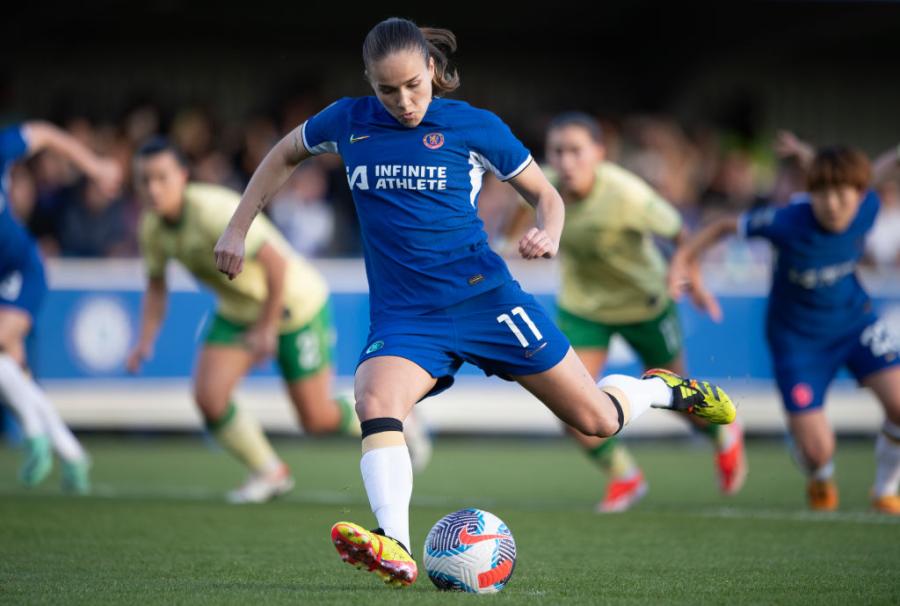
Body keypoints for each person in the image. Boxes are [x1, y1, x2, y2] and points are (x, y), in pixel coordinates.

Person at [214, 17, 736, 587]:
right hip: (408, 316)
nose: (404, 101)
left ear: (432, 70)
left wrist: (549, 232)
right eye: (387, 90)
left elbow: (547, 195)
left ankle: (661, 388)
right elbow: (282, 155)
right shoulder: (347, 120)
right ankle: (395, 544)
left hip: (485, 301)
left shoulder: (473, 127)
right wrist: (238, 227)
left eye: (414, 84)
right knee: (374, 398)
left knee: (595, 420)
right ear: (369, 82)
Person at [128, 137, 430, 504]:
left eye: (161, 178)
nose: (152, 188)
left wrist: (267, 329)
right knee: (209, 398)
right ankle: (269, 471)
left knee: (316, 420)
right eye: (144, 180)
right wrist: (145, 340)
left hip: (294, 304)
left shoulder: (212, 210)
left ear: (183, 176)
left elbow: (277, 265)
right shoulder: (152, 228)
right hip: (238, 310)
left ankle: (401, 421)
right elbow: (156, 287)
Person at [506, 113, 746, 512]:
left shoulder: (627, 193)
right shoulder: (540, 184)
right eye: (558, 151)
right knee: (570, 405)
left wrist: (694, 282)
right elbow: (517, 217)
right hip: (585, 310)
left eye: (576, 151)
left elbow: (681, 234)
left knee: (680, 399)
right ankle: (625, 476)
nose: (566, 162)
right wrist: (510, 241)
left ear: (599, 153)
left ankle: (724, 435)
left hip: (646, 305)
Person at [670, 135, 900, 515]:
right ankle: (819, 474)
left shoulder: (867, 204)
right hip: (797, 342)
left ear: (860, 194)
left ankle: (885, 489)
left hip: (854, 324)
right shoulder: (787, 220)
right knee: (818, 450)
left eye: (844, 194)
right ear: (810, 193)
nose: (833, 204)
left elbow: (869, 172)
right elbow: (724, 226)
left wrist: (811, 154)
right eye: (821, 193)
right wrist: (683, 262)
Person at [0, 121, 121, 493]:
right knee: (10, 367)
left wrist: (95, 166)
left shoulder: (3, 146)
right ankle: (71, 453)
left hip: (22, 267)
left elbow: (46, 135)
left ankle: (37, 438)